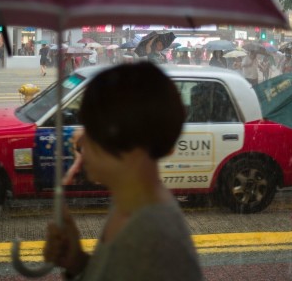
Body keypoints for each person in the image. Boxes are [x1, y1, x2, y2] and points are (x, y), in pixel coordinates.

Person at [42, 63, 203, 281]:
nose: (80, 141)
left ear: (133, 140)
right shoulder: (130, 206)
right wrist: (77, 263)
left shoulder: (151, 238)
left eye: (93, 129)